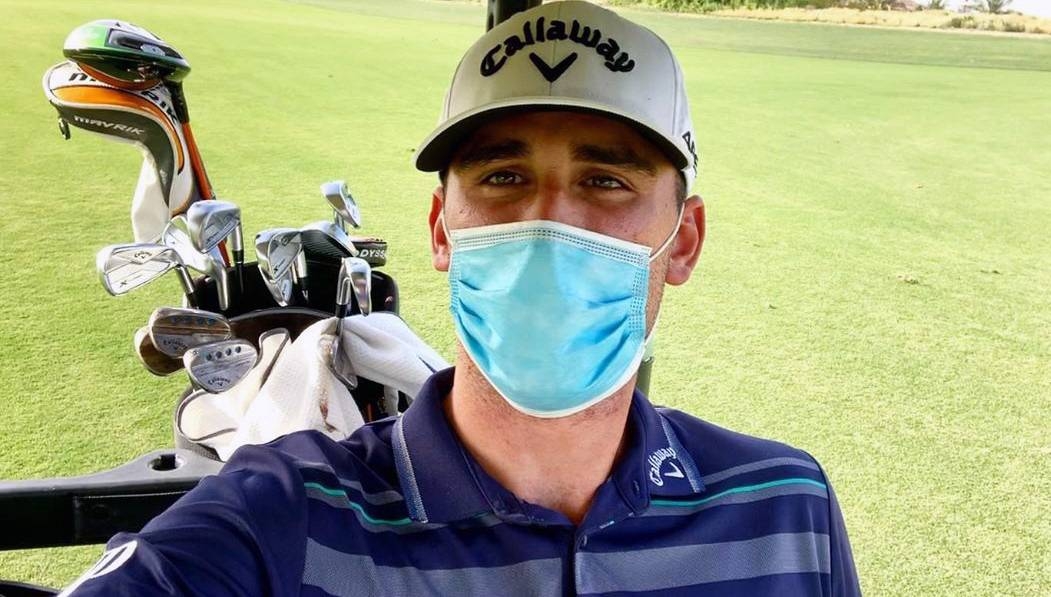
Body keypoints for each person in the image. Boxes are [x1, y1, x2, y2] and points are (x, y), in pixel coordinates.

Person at [63, 1, 861, 595]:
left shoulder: (788, 506)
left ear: (681, 241)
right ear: (443, 229)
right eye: (503, 177)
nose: (548, 221)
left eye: (606, 181)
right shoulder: (278, 512)